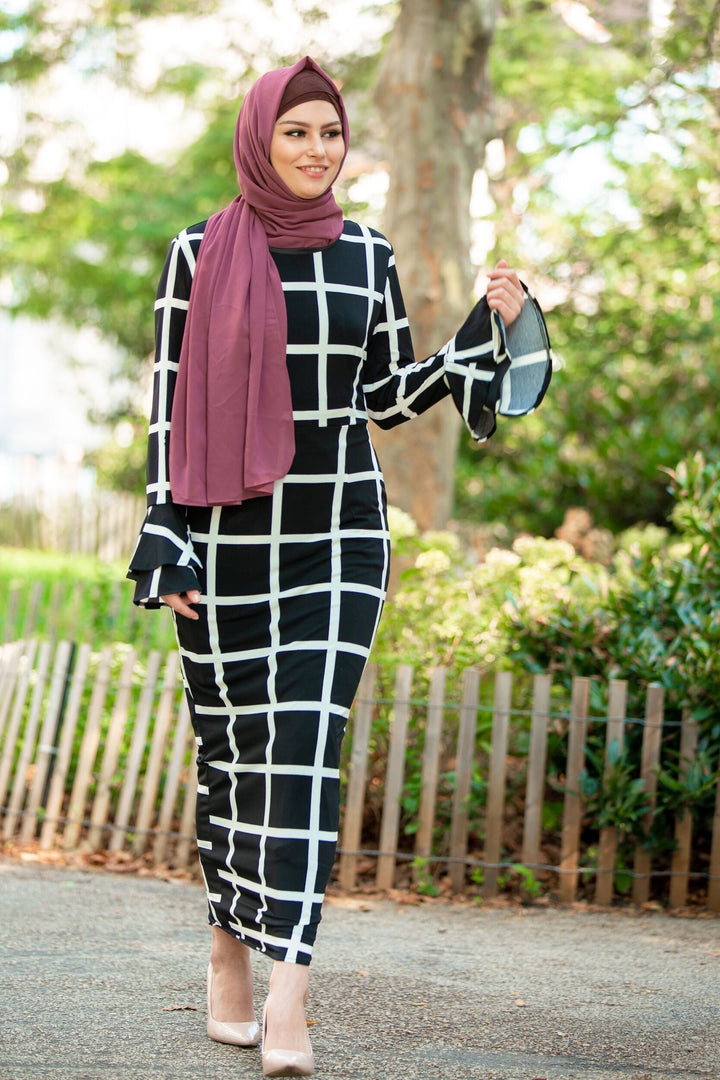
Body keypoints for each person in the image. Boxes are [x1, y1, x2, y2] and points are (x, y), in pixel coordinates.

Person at [128, 55, 551, 1079]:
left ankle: (288, 994)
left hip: (338, 537)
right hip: (224, 537)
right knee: (233, 756)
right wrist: (161, 526)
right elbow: (166, 397)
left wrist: (479, 341)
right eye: (297, 132)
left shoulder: (367, 253)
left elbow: (389, 392)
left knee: (308, 752)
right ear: (260, 139)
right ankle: (229, 944)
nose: (318, 151)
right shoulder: (198, 252)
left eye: (331, 133)